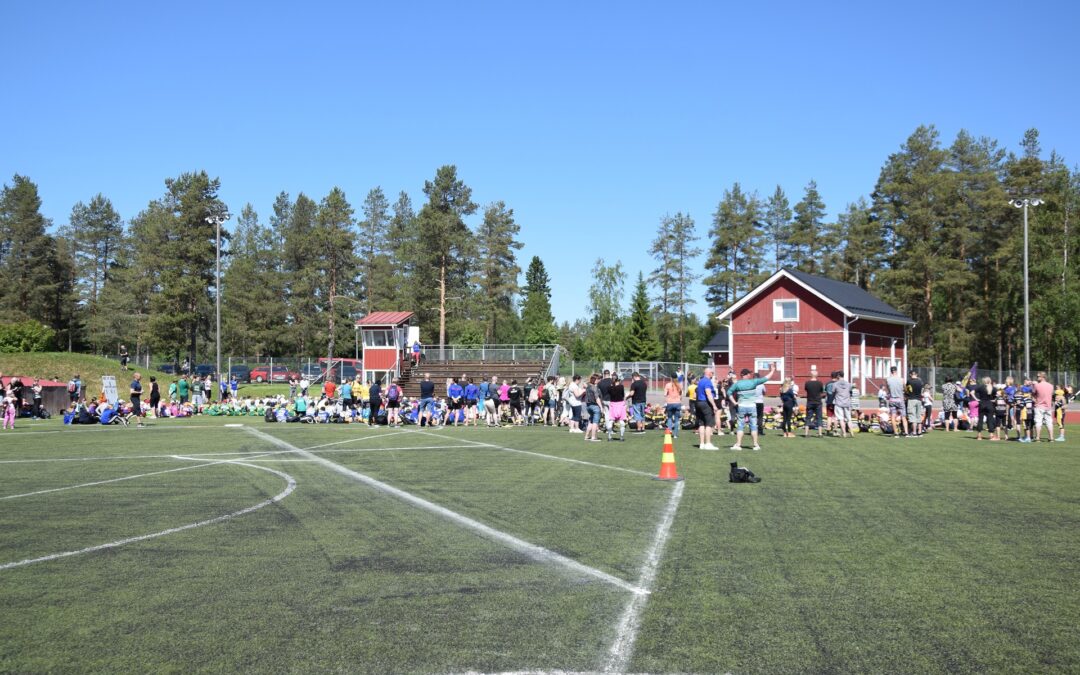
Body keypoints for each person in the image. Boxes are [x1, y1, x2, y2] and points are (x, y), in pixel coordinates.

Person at [726, 364, 777, 451]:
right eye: (749, 373)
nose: (750, 375)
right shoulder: (753, 382)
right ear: (745, 375)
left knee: (740, 426)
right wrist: (772, 371)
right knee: (753, 426)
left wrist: (734, 402)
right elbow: (766, 378)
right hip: (752, 406)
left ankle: (738, 444)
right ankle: (756, 445)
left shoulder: (737, 384)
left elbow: (729, 392)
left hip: (741, 406)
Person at [695, 367, 720, 450]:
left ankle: (701, 444)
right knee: (709, 424)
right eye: (712, 373)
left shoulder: (700, 381)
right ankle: (708, 443)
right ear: (709, 373)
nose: (713, 374)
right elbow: (708, 393)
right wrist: (714, 405)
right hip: (705, 403)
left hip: (698, 403)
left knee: (701, 424)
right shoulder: (707, 382)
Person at [1032, 372, 1056, 442]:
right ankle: (1051, 438)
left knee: (1038, 422)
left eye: (1038, 376)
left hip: (1039, 406)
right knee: (1049, 422)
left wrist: (1033, 385)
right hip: (1048, 407)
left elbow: (1033, 394)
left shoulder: (1037, 385)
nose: (1037, 378)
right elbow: (1051, 395)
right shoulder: (1051, 386)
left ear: (1042, 377)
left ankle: (1037, 438)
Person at [974, 376, 997, 441]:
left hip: (982, 404)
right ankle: (991, 435)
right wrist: (994, 400)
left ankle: (979, 435)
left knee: (980, 420)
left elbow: (972, 392)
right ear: (990, 381)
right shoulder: (993, 388)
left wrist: (976, 399)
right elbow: (997, 395)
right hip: (989, 404)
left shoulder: (980, 387)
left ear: (983, 381)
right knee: (990, 420)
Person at [885, 367, 907, 437]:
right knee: (903, 416)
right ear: (896, 371)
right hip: (900, 399)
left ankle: (896, 433)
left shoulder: (888, 379)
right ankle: (906, 432)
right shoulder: (901, 379)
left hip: (892, 399)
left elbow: (888, 389)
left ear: (891, 371)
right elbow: (905, 389)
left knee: (893, 416)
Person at [803, 369, 824, 438]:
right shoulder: (820, 383)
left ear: (810, 375)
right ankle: (820, 433)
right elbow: (821, 391)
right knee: (819, 417)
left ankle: (806, 433)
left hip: (810, 401)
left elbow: (806, 390)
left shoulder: (807, 383)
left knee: (808, 417)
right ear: (817, 375)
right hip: (818, 402)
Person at [832, 371, 854, 437]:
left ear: (838, 376)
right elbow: (851, 392)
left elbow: (833, 392)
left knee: (841, 419)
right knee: (849, 419)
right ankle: (852, 432)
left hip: (838, 402)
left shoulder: (835, 384)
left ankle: (844, 433)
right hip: (847, 402)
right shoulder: (848, 384)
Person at [607, 375, 627, 442]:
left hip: (612, 404)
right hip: (620, 404)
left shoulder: (609, 387)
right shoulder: (621, 387)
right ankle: (621, 437)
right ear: (618, 380)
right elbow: (623, 395)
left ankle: (609, 437)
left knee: (611, 421)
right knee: (622, 422)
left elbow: (609, 393)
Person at [905, 370, 924, 436]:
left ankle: (914, 432)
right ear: (916, 374)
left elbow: (907, 390)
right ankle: (920, 432)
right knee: (918, 416)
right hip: (919, 399)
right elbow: (922, 391)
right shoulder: (920, 381)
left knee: (912, 416)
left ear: (910, 374)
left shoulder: (909, 381)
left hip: (911, 399)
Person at [583, 374, 602, 442]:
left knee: (591, 421)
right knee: (595, 422)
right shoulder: (594, 388)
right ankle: (593, 437)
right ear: (595, 380)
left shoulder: (588, 387)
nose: (599, 380)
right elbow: (597, 398)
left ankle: (587, 436)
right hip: (595, 406)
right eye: (598, 379)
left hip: (588, 406)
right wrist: (601, 407)